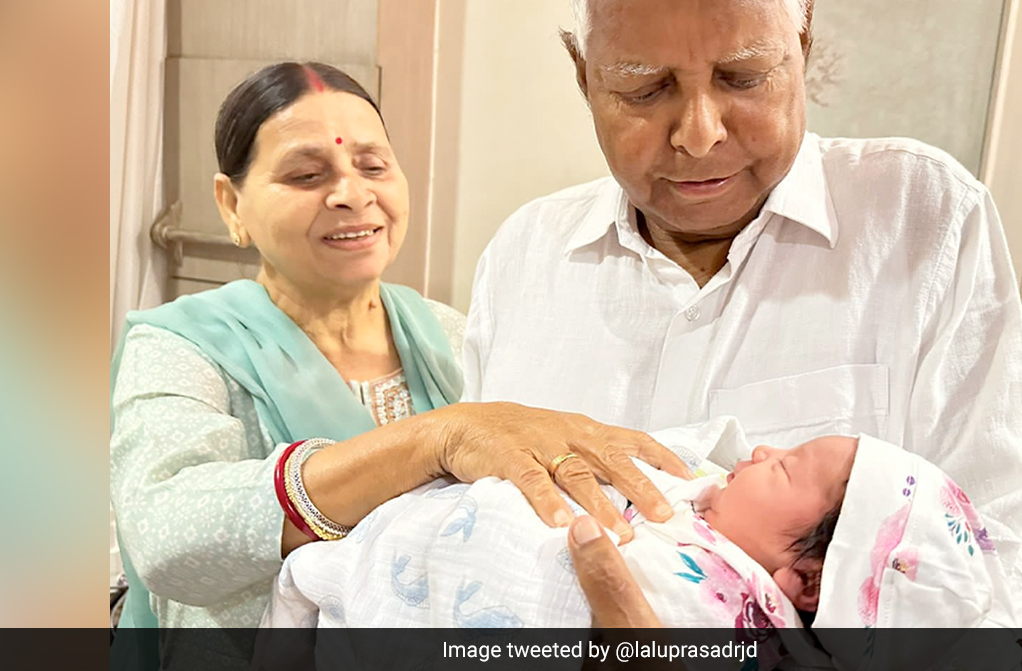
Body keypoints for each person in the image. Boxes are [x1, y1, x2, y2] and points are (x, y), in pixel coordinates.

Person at [463, 0, 1022, 629]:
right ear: (583, 74)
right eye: (643, 89)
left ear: (801, 43)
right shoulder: (523, 258)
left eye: (743, 77)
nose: (699, 133)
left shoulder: (922, 223)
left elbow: (1002, 612)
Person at [109, 61, 690, 637]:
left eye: (373, 166)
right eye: (307, 175)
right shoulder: (179, 347)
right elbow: (166, 535)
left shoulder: (448, 333)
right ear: (232, 205)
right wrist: (434, 439)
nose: (352, 195)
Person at [263, 419, 1017, 637]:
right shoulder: (704, 500)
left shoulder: (715, 608)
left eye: (786, 470)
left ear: (808, 581)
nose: (761, 450)